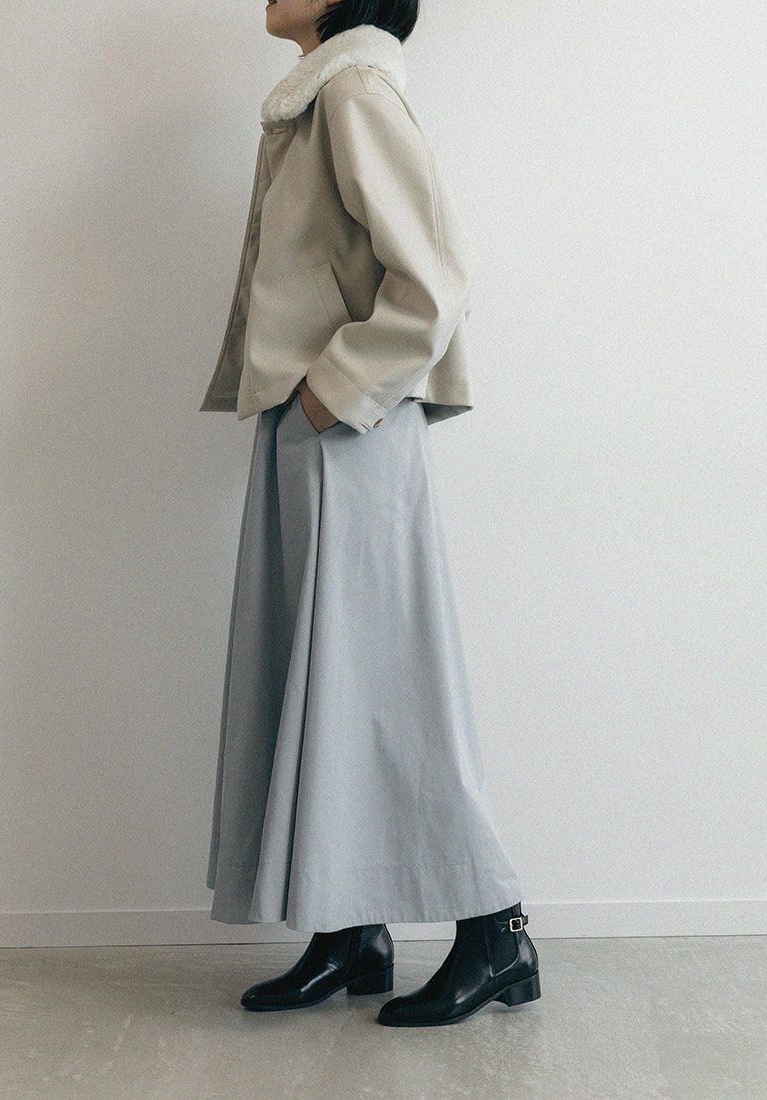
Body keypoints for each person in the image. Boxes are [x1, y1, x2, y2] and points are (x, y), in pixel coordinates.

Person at [199, 0, 540, 1027]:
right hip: (313, 420)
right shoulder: (318, 98)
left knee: (389, 683)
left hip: (348, 422)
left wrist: (332, 390)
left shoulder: (351, 88)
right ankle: (350, 928)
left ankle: (495, 932)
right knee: (330, 684)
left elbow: (434, 276)